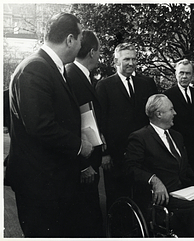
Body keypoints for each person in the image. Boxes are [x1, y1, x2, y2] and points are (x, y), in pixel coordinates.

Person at [5, 13, 93, 237]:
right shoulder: (35, 68)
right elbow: (40, 126)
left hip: (52, 183)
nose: (82, 44)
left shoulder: (50, 67)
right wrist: (79, 146)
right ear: (70, 39)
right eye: (81, 38)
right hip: (40, 186)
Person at [126, 94, 194, 237]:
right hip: (162, 197)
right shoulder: (140, 138)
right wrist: (153, 180)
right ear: (159, 114)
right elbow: (131, 168)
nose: (175, 113)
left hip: (184, 191)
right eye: (171, 109)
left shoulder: (177, 136)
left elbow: (185, 168)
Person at [95, 42, 157, 210]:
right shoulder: (104, 86)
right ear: (116, 61)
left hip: (142, 154)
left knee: (142, 198)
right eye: (126, 59)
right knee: (117, 201)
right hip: (115, 156)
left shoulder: (147, 84)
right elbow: (99, 122)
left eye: (134, 59)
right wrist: (104, 153)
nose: (131, 63)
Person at [65, 30, 105, 237]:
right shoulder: (72, 76)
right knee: (85, 222)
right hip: (83, 163)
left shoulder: (80, 75)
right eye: (98, 51)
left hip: (89, 158)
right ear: (91, 52)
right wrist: (83, 165)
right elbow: (71, 123)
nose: (99, 55)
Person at [164, 59, 194, 175]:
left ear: (193, 75)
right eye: (181, 73)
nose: (184, 76)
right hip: (178, 147)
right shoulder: (168, 95)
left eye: (188, 73)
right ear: (175, 74)